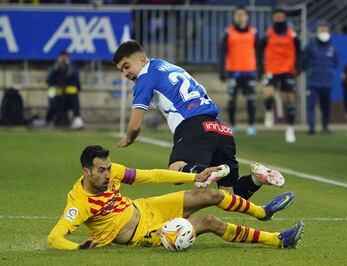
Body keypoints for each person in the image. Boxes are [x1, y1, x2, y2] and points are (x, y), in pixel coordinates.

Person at [112, 40, 285, 201]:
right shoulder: (168, 66)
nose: (125, 73)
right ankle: (257, 179)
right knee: (229, 195)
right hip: (219, 128)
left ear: (142, 59)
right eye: (121, 70)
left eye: (127, 66)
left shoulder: (145, 77)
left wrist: (129, 138)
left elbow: (135, 126)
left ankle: (205, 172)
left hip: (193, 126)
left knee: (175, 170)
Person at [47, 145, 304, 250]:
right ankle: (278, 241)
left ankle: (262, 212)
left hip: (147, 207)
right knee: (210, 222)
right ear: (86, 172)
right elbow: (54, 237)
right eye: (101, 170)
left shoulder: (112, 171)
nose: (107, 174)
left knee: (211, 193)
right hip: (142, 233)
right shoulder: (79, 203)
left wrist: (196, 176)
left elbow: (151, 176)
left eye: (108, 168)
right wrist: (76, 247)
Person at [259, 9, 301, 143]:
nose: (279, 20)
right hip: (271, 69)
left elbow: (300, 52)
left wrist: (298, 67)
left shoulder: (292, 35)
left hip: (287, 70)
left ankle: (290, 128)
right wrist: (260, 68)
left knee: (290, 99)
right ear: (273, 19)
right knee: (268, 93)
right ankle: (269, 111)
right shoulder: (268, 34)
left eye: (281, 17)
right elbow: (258, 50)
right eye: (276, 17)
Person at [220, 6, 258, 135]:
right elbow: (222, 52)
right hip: (233, 71)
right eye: (238, 15)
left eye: (242, 15)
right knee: (232, 100)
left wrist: (260, 69)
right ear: (234, 17)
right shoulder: (228, 32)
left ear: (247, 16)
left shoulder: (254, 32)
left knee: (251, 100)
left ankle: (251, 126)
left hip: (250, 71)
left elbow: (258, 52)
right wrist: (222, 70)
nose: (240, 17)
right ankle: (233, 125)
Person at [302, 21, 339, 135]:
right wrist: (307, 71)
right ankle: (311, 127)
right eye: (321, 30)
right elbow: (304, 60)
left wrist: (329, 72)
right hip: (313, 81)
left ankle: (325, 126)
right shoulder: (310, 45)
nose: (323, 32)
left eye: (325, 30)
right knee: (311, 105)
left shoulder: (332, 47)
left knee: (326, 106)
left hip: (327, 82)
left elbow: (335, 61)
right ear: (316, 32)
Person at [46, 51, 84, 129]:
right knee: (61, 110)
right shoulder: (56, 66)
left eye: (65, 56)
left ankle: (77, 122)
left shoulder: (72, 65)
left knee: (75, 109)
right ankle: (61, 122)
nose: (63, 58)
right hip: (60, 93)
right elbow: (49, 80)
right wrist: (55, 68)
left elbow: (74, 76)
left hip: (71, 91)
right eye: (62, 56)